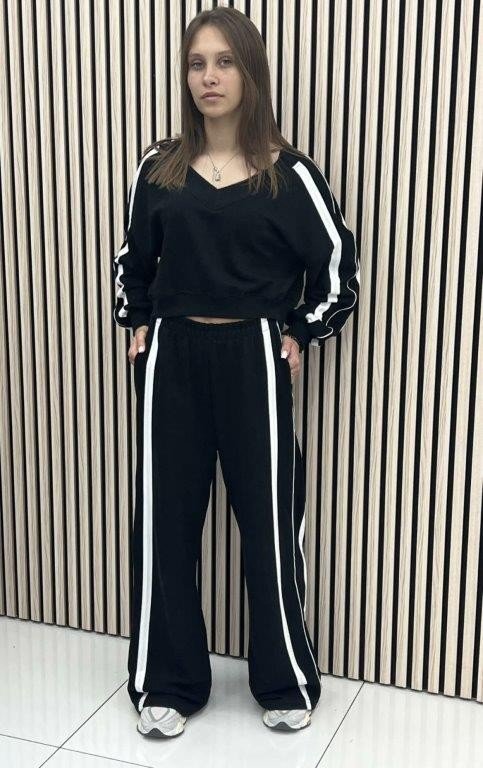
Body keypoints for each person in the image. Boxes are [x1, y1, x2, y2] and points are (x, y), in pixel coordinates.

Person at [112, 7, 359, 739]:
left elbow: (338, 271)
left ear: (251, 73)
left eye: (224, 62)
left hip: (254, 357)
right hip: (172, 361)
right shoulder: (159, 168)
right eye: (196, 63)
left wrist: (301, 331)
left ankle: (283, 680)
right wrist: (136, 320)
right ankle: (166, 680)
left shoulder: (290, 174)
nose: (209, 77)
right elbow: (132, 262)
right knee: (165, 522)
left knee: (269, 522)